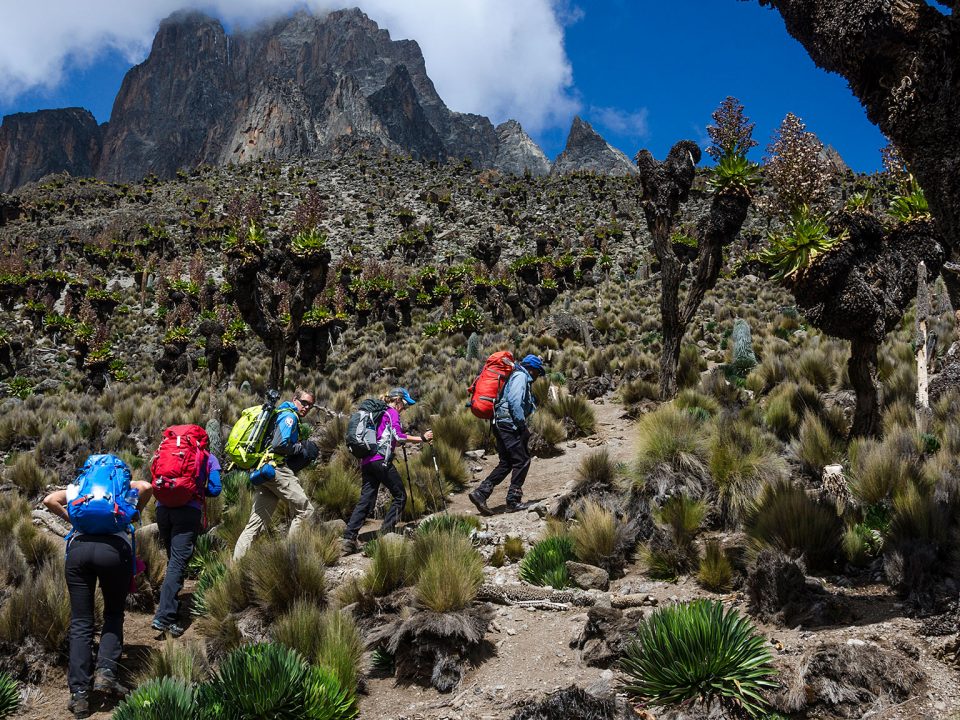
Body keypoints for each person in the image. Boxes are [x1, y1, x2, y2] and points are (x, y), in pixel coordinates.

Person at [43, 464, 152, 719]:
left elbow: (49, 500)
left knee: (81, 621)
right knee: (113, 613)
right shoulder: (123, 487)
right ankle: (106, 673)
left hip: (79, 550)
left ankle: (79, 695)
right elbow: (146, 487)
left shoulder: (79, 489)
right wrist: (133, 514)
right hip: (114, 552)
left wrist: (74, 519)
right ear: (117, 471)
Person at [342, 388, 433, 554]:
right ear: (397, 400)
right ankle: (386, 532)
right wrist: (422, 438)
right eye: (404, 405)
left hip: (367, 461)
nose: (404, 409)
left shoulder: (378, 414)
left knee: (366, 499)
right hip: (381, 461)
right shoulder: (391, 412)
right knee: (400, 496)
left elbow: (391, 439)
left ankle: (349, 537)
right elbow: (398, 437)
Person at [232, 388, 316, 561]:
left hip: (265, 472)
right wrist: (299, 447)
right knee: (305, 510)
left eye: (310, 405)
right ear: (295, 399)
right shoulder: (289, 417)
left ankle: (236, 567)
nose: (307, 407)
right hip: (277, 469)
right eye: (304, 403)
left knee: (256, 525)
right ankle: (290, 560)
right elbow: (279, 445)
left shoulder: (280, 413)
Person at [150, 451, 222, 637]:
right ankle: (164, 617)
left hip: (162, 510)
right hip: (187, 511)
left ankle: (170, 611)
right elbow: (215, 489)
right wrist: (195, 489)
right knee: (177, 562)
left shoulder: (170, 451)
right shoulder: (208, 457)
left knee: (173, 560)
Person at [469, 354, 545, 515]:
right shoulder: (520, 376)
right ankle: (513, 501)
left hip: (499, 422)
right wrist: (521, 425)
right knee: (522, 460)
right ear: (532, 370)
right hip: (508, 424)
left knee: (506, 463)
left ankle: (481, 493)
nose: (538, 377)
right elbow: (514, 401)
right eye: (538, 372)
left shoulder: (515, 375)